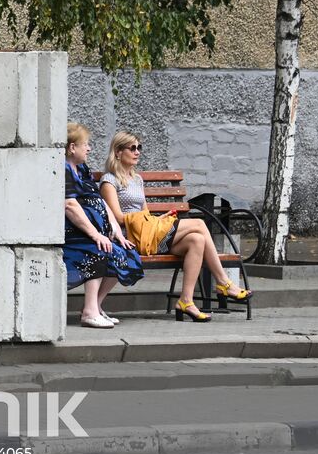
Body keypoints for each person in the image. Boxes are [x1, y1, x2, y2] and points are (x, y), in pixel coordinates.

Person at [99, 131, 253, 322]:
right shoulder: (109, 181)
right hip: (130, 237)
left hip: (148, 231)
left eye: (139, 147)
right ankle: (223, 282)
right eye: (133, 148)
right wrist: (149, 221)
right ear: (118, 152)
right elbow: (119, 218)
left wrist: (158, 218)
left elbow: (144, 213)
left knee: (197, 240)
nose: (137, 152)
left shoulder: (137, 179)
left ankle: (186, 301)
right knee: (198, 223)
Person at [63, 122, 143, 328]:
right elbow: (70, 205)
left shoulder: (81, 168)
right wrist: (96, 235)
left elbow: (100, 201)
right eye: (85, 144)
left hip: (92, 232)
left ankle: (96, 306)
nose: (89, 148)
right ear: (72, 147)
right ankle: (89, 313)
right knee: (98, 250)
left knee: (127, 254)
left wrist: (117, 233)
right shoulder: (64, 169)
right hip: (75, 234)